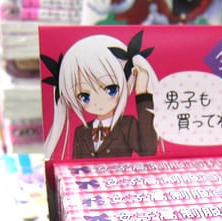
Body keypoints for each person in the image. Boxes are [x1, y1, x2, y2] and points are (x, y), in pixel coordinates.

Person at [41, 30, 158, 160]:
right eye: (84, 96)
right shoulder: (81, 131)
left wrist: (142, 92)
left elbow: (148, 150)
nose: (98, 102)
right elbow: (76, 164)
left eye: (110, 90)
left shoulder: (127, 125)